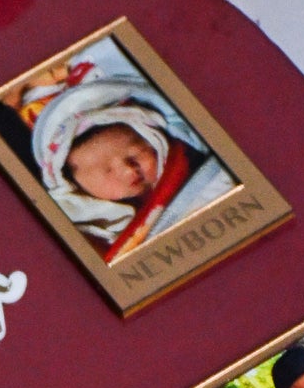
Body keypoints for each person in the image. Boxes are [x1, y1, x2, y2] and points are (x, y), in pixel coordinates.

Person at [21, 68, 235, 261]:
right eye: (108, 171)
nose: (128, 170)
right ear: (84, 194)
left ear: (149, 135)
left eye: (133, 156)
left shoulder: (185, 153)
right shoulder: (108, 228)